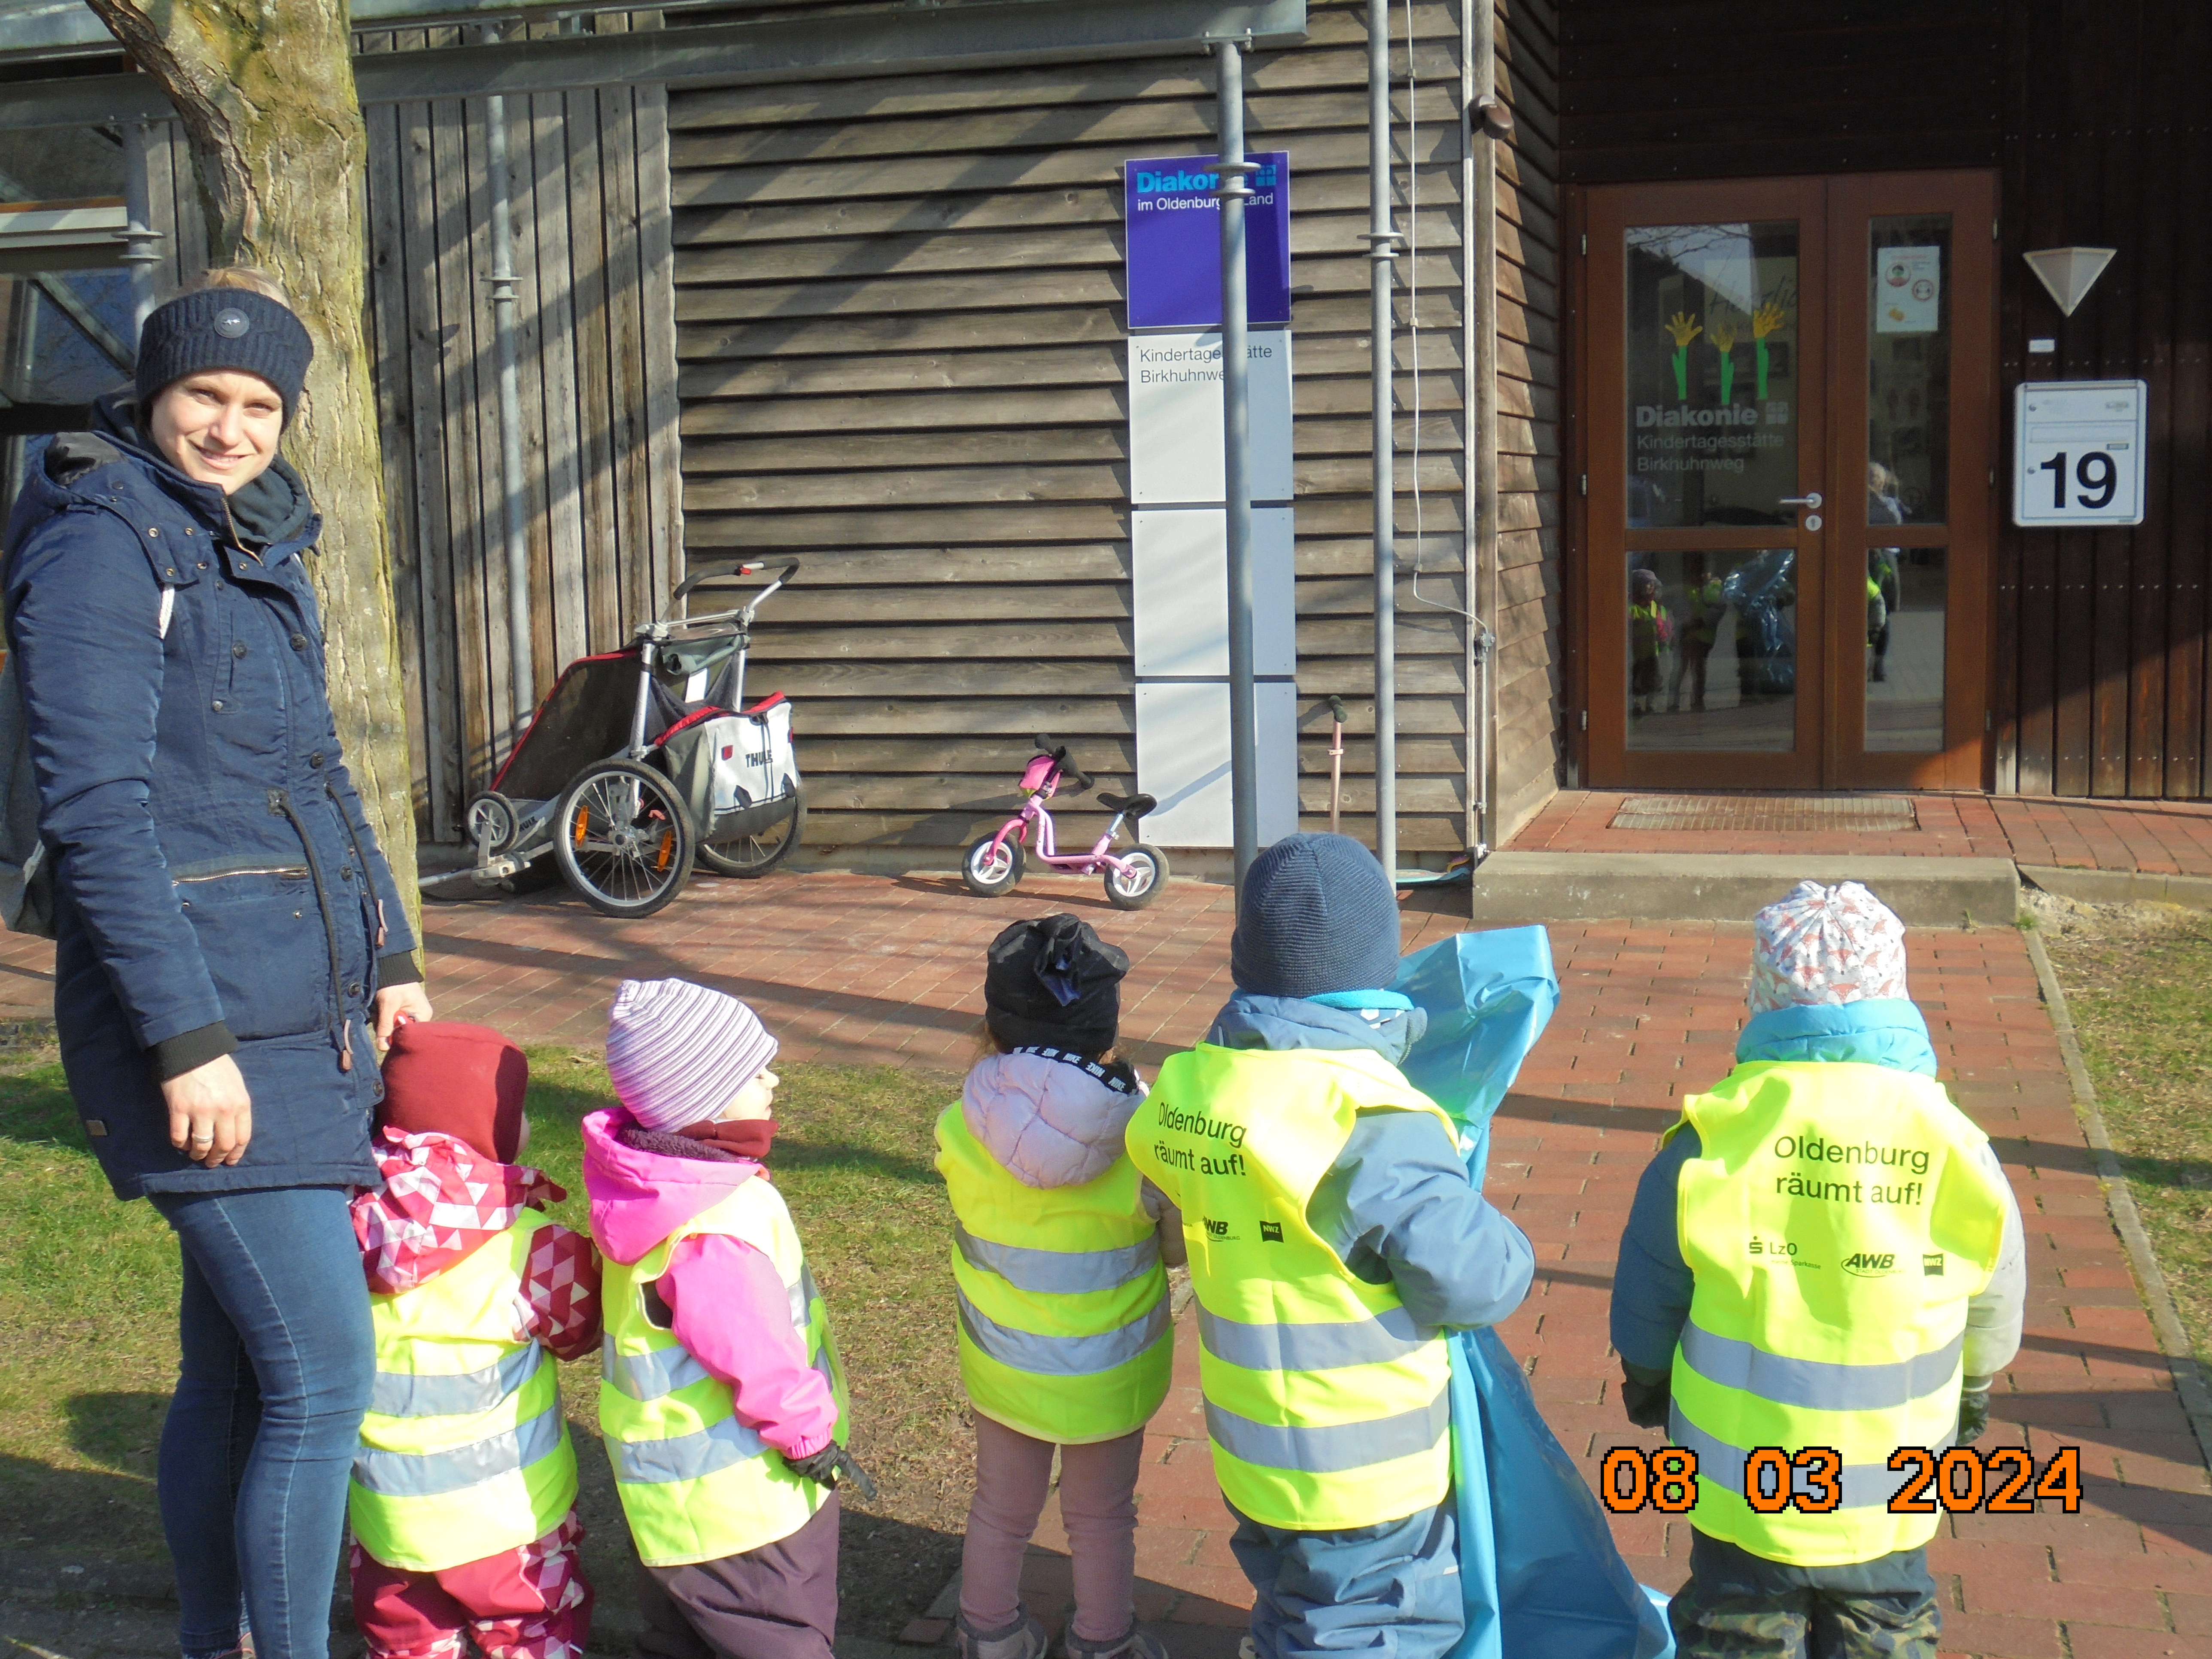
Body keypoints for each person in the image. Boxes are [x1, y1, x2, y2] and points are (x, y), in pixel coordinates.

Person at [3, 269, 431, 1659]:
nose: (231, 425)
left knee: (236, 1375)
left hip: (303, 1019)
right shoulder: (99, 544)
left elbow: (320, 771)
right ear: (152, 394)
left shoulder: (252, 544)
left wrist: (394, 954)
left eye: (259, 404)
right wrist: (187, 1040)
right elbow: (95, 816)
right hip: (204, 1031)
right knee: (323, 1377)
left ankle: (217, 1639)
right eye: (204, 395)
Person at [1127, 834, 1535, 1659]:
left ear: (1247, 955)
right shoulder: (1367, 1117)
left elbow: (1162, 1202)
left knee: (1289, 1592)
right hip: (1365, 1469)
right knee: (1369, 1626)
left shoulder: (1185, 1090)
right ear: (1381, 962)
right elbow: (1476, 1281)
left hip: (1253, 1450)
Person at [1610, 881, 2026, 1659]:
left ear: (1763, 998)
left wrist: (1645, 1374)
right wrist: (1974, 1386)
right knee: (1889, 1621)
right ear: (1895, 992)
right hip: (1893, 1479)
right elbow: (1994, 1287)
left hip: (1743, 1487)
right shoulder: (1952, 1140)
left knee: (1735, 1624)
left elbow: (1652, 1277)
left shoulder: (1716, 1134)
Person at [585, 978, 872, 1659]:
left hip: (670, 1509)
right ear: (699, 1103)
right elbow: (758, 1356)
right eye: (753, 1070)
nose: (773, 1079)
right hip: (747, 1510)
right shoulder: (715, 1226)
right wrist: (810, 1440)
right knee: (780, 1642)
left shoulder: (650, 1193)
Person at [934, 915, 1184, 1659]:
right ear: (1103, 1023)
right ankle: (1104, 1640)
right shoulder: (1142, 1133)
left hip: (1003, 1360)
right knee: (1102, 1514)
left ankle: (989, 1632)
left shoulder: (960, 1124)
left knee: (999, 1508)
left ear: (994, 1022)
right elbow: (1171, 1246)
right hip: (1110, 1369)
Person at [348, 1021, 603, 1659]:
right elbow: (583, 1330)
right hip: (511, 1523)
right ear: (496, 1129)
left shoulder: (340, 1231)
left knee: (408, 1644)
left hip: (387, 1522)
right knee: (532, 1636)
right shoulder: (533, 1250)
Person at [1669, 557, 1725, 714]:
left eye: (1702, 572)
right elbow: (1678, 609)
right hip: (1687, 634)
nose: (1699, 576)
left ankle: (1698, 699)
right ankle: (1674, 700)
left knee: (1698, 668)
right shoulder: (1685, 591)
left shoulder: (1713, 590)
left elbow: (1719, 608)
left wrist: (1702, 621)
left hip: (1703, 637)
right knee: (1682, 667)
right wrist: (1688, 623)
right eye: (1694, 572)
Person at [1629, 567, 1671, 717]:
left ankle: (1650, 703)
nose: (1649, 588)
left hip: (1652, 650)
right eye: (1646, 584)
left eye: (1652, 585)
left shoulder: (1655, 605)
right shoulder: (1632, 607)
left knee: (1653, 677)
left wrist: (1665, 637)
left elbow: (1663, 623)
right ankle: (1635, 704)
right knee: (1636, 678)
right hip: (1636, 652)